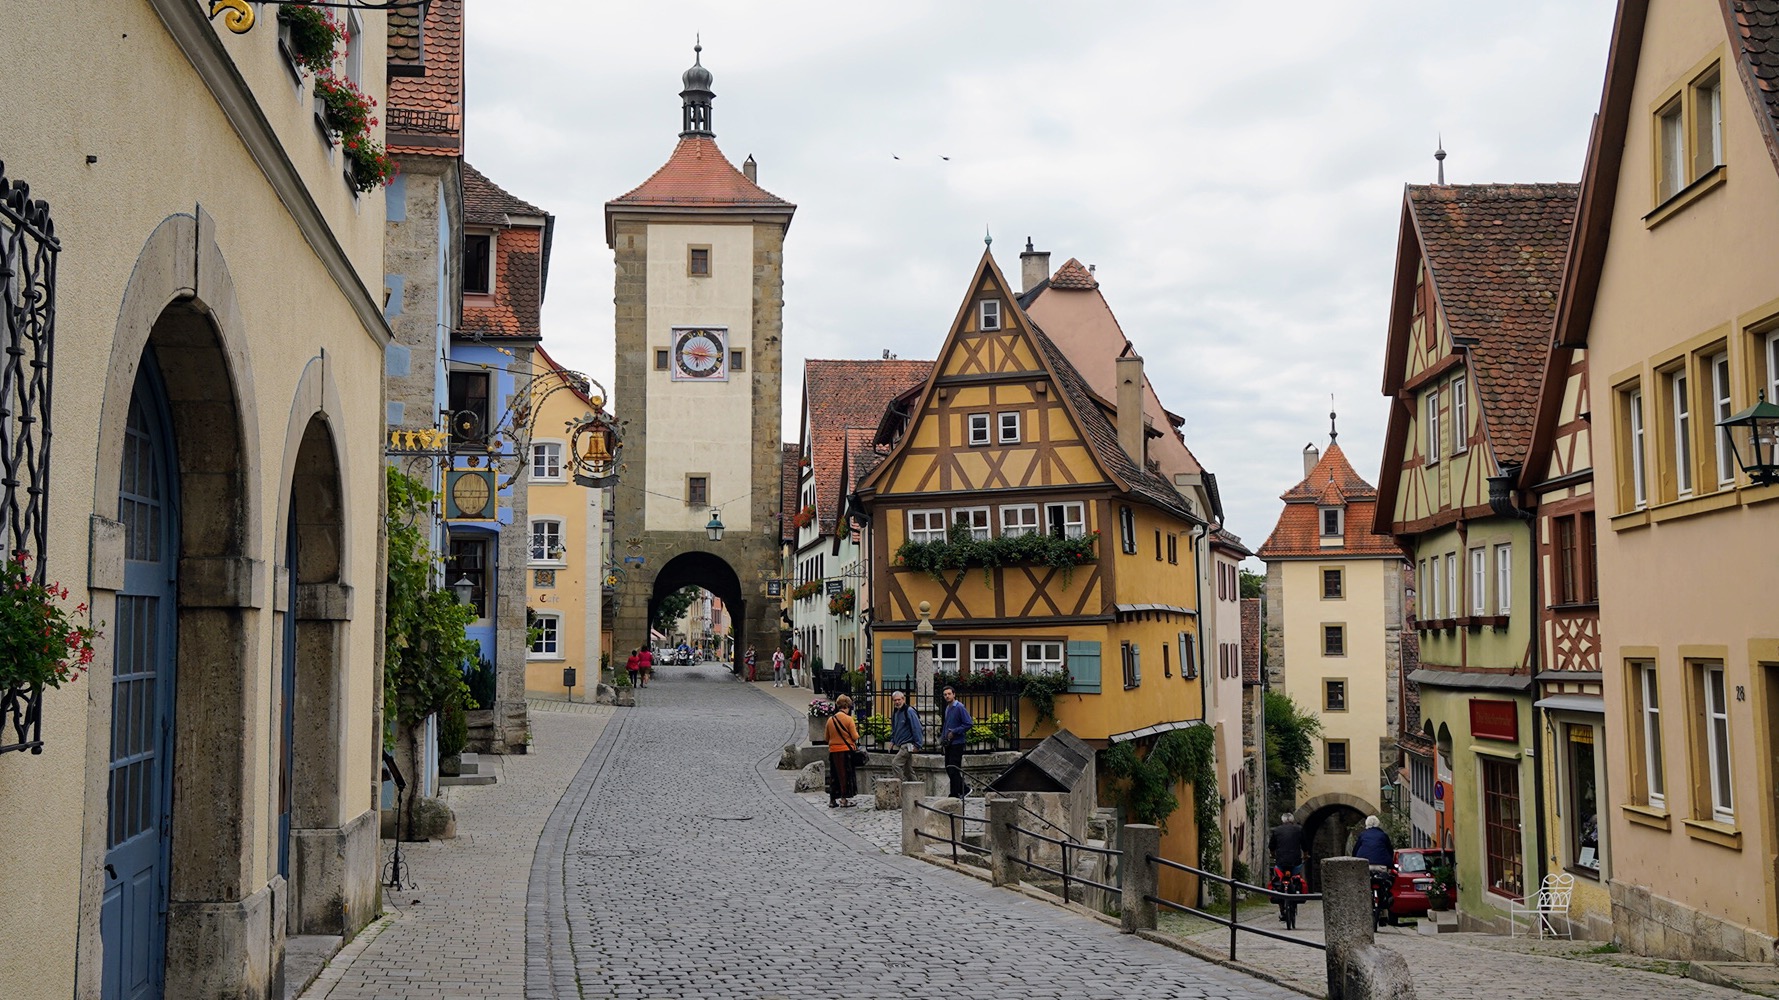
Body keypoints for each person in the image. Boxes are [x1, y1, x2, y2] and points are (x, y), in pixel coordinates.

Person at [825, 693, 861, 807]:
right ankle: (844, 799)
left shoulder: (830, 720)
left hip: (833, 751)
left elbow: (826, 737)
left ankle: (832, 800)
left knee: (834, 775)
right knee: (845, 775)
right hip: (846, 751)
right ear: (848, 706)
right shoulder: (849, 719)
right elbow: (855, 737)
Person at [939, 685, 972, 798]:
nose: (947, 696)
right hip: (949, 742)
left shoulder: (959, 707)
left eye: (949, 694)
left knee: (953, 768)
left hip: (957, 742)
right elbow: (946, 724)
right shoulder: (948, 708)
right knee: (949, 768)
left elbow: (968, 723)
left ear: (954, 694)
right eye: (945, 694)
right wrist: (943, 737)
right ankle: (963, 789)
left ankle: (955, 793)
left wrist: (955, 731)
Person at [888, 689, 924, 784]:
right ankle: (916, 789)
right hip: (902, 744)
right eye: (895, 700)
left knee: (896, 764)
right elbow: (895, 728)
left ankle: (901, 786)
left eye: (899, 700)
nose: (897, 702)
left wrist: (918, 744)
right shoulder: (896, 712)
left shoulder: (909, 711)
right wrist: (892, 740)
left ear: (903, 699)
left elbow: (917, 728)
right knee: (908, 770)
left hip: (907, 745)